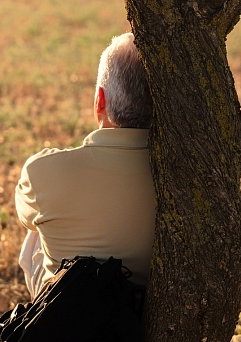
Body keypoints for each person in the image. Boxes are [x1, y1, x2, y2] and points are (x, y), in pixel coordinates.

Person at [15, 33, 156, 299]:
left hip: (68, 319)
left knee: (36, 230)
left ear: (99, 100)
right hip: (143, 318)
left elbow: (24, 216)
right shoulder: (184, 177)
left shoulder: (42, 171)